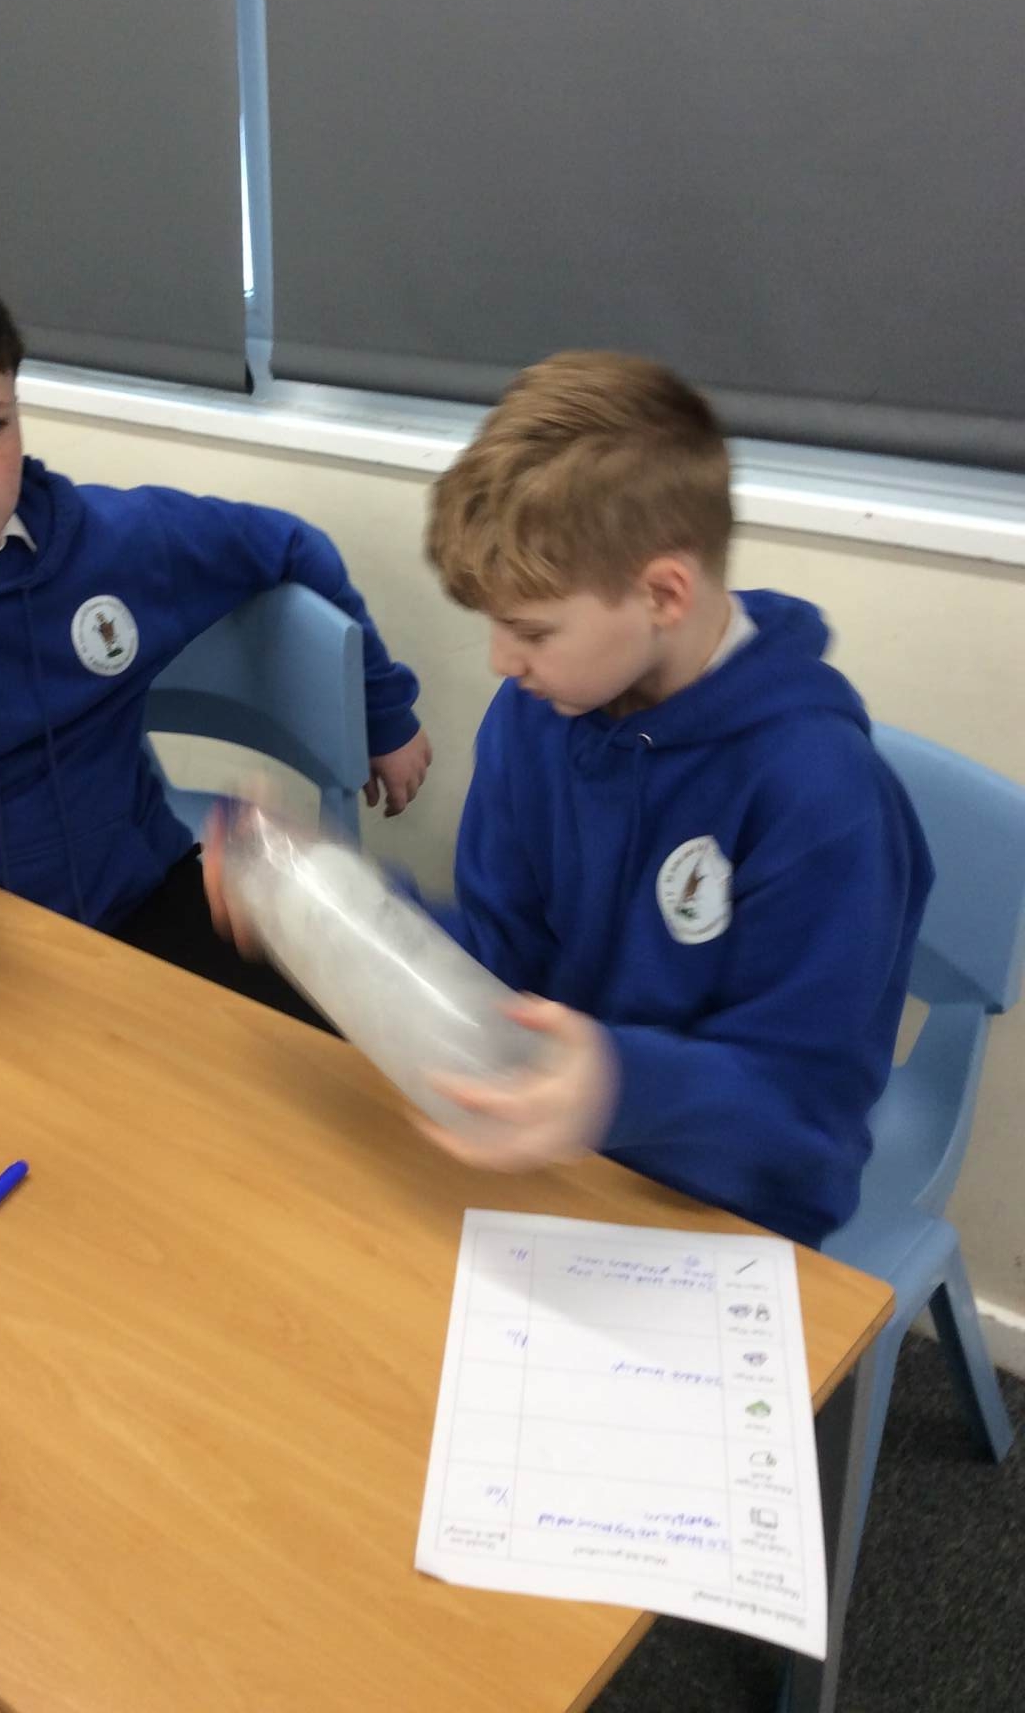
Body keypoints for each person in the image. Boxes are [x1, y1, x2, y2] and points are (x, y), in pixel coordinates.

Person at [208, 352, 932, 1244]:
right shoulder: (536, 715)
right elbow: (501, 959)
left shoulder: (824, 799)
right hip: (549, 1148)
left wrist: (618, 1087)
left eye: (533, 630)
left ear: (663, 593)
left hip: (725, 1210)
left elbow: (804, 1125)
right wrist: (333, 903)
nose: (501, 661)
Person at [0, 241, 431, 1016]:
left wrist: (385, 713)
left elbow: (289, 543)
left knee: (325, 1052)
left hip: (142, 904)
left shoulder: (109, 542)